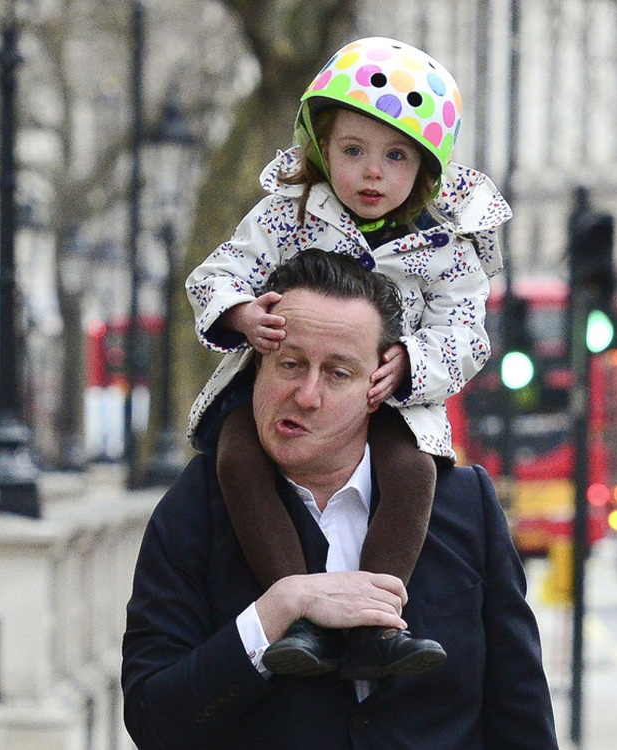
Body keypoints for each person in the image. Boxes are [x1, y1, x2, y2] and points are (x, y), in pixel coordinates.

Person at [122, 250, 559, 750]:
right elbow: (153, 720)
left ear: (380, 386)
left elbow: (520, 712)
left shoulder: (464, 505)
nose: (306, 395)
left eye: (337, 374)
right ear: (256, 368)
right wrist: (277, 611)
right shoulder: (193, 508)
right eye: (290, 364)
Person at [185, 36, 511, 677]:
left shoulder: (445, 245)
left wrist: (414, 362)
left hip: (388, 394)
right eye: (353, 151)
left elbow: (470, 334)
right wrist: (243, 313)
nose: (371, 173)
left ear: (424, 169)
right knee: (237, 457)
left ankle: (375, 625)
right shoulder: (289, 211)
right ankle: (302, 621)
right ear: (321, 150)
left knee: (411, 474)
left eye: (395, 157)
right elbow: (218, 272)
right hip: (287, 388)